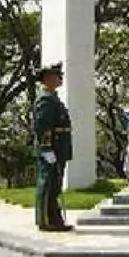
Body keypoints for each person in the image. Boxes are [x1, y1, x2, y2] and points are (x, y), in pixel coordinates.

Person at [32, 61, 75, 231]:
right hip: (52, 148)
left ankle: (54, 218)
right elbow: (42, 127)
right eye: (58, 76)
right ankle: (47, 220)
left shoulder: (52, 98)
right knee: (48, 184)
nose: (60, 78)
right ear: (48, 78)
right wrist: (46, 149)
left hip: (59, 146)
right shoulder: (45, 100)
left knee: (54, 184)